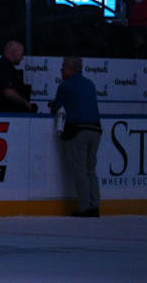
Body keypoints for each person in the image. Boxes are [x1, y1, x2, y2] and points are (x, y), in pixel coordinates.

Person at [49, 56, 102, 218]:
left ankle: (85, 208)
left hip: (78, 131)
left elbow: (56, 107)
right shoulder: (90, 84)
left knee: (80, 171)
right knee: (90, 170)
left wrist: (53, 105)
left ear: (69, 69)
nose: (61, 70)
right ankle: (95, 205)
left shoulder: (65, 86)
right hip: (96, 130)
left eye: (63, 67)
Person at [0, 40, 34, 113]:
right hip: (0, 115)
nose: (22, 57)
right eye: (21, 54)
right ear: (14, 52)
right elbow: (8, 92)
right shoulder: (4, 67)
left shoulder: (3, 66)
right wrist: (26, 103)